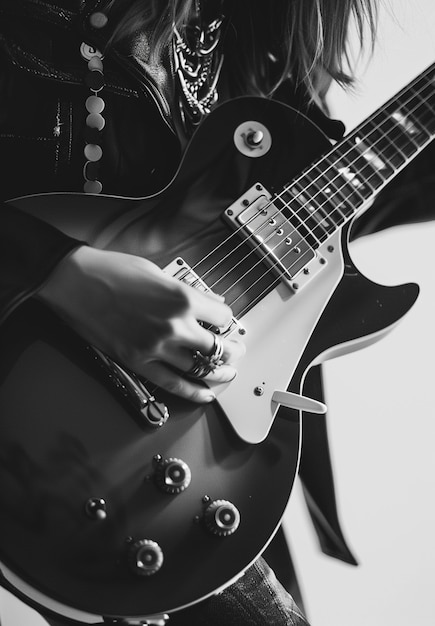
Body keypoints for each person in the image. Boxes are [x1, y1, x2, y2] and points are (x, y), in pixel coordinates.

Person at [1, 1, 435, 625]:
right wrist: (63, 271)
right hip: (38, 427)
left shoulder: (255, 38)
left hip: (202, 464)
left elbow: (312, 230)